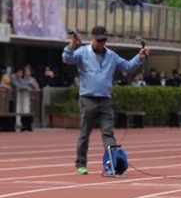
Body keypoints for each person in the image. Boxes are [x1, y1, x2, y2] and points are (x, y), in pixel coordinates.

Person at [62, 25, 149, 174]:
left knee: (108, 134)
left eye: (104, 40)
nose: (102, 43)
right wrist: (73, 43)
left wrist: (139, 57)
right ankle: (80, 163)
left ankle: (111, 165)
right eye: (99, 40)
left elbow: (127, 66)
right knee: (85, 132)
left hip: (105, 100)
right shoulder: (83, 52)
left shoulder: (112, 55)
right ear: (93, 39)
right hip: (88, 98)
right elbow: (67, 58)